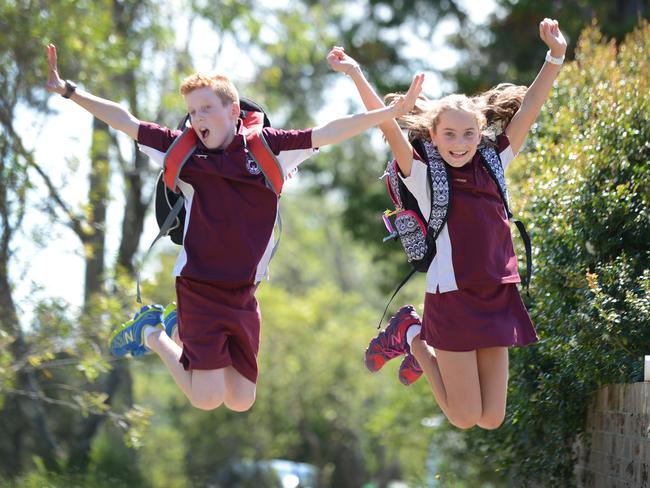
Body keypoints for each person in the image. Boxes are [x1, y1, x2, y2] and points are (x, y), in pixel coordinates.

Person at [45, 43, 424, 412]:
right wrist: (69, 90)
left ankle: (177, 328)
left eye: (207, 109)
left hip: (244, 292)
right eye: (193, 112)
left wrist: (390, 112)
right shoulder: (184, 151)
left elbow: (331, 130)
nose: (198, 119)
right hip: (199, 286)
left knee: (242, 400)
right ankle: (152, 332)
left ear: (233, 110)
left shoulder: (268, 148)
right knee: (206, 397)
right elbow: (125, 120)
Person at [327, 17, 567, 430]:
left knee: (491, 419)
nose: (460, 144)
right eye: (450, 135)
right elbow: (387, 124)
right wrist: (355, 73)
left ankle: (408, 333)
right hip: (453, 296)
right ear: (434, 137)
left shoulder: (495, 160)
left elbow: (530, 107)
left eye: (468, 134)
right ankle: (412, 335)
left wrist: (555, 56)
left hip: (497, 293)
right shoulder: (422, 173)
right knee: (463, 416)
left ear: (480, 135)